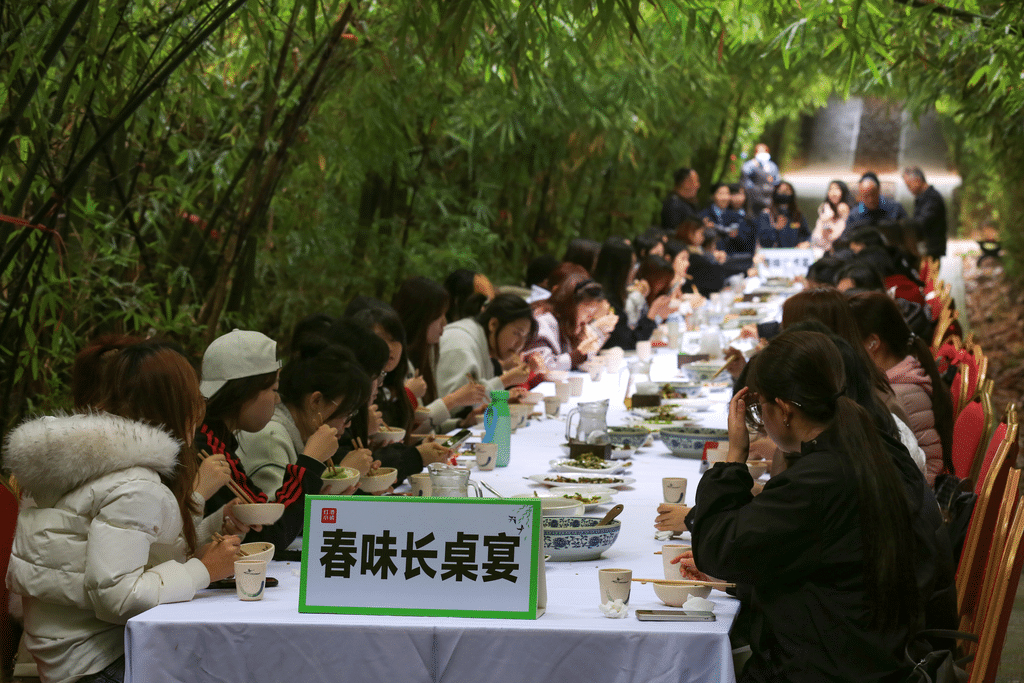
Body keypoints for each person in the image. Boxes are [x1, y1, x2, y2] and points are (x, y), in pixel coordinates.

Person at [690, 330, 928, 681]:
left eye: (761, 409)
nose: (761, 422)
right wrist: (739, 581)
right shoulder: (871, 445)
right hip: (875, 648)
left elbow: (717, 550)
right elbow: (825, 561)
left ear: (785, 409)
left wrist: (735, 456)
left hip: (830, 665)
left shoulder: (820, 479)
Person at [6, 341, 241, 683]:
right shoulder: (134, 484)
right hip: (97, 662)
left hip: (65, 652)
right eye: (194, 400)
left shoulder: (86, 462)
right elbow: (119, 597)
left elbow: (125, 549)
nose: (199, 412)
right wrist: (202, 571)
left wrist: (207, 548)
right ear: (174, 408)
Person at [196, 330, 368, 554]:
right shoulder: (208, 447)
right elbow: (270, 534)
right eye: (273, 389)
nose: (277, 399)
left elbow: (263, 516)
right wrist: (311, 461)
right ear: (243, 392)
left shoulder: (218, 441)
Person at [236, 344, 373, 497]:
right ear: (316, 401)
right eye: (347, 412)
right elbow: (278, 510)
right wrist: (341, 474)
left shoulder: (296, 434)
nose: (348, 423)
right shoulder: (271, 438)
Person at [848, 291, 954, 485]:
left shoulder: (903, 395)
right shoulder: (896, 379)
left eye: (849, 341)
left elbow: (930, 469)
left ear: (873, 343)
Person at [392, 276, 489, 431]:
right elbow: (409, 431)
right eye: (439, 316)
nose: (445, 323)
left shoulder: (427, 355)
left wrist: (462, 424)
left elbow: (429, 429)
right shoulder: (396, 363)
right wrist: (453, 400)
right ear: (420, 317)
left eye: (445, 314)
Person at [437, 293, 535, 397]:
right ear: (493, 324)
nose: (520, 345)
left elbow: (478, 402)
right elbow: (455, 403)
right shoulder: (461, 345)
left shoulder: (481, 343)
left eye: (525, 337)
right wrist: (507, 380)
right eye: (517, 333)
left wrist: (505, 398)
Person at [592, 236, 675, 350]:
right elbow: (629, 343)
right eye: (631, 266)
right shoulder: (605, 301)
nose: (634, 271)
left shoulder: (606, 293)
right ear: (620, 270)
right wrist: (652, 313)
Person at [525, 272, 607, 370]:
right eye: (587, 311)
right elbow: (541, 366)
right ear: (570, 306)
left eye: (593, 313)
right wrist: (578, 355)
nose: (589, 318)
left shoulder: (569, 326)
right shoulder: (544, 322)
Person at [903, 167, 948, 258]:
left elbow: (922, 222)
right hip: (926, 249)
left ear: (918, 180)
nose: (908, 189)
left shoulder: (932, 198)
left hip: (931, 251)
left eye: (908, 185)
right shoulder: (924, 197)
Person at [755, 181, 810, 248]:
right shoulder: (767, 214)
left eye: (787, 191)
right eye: (781, 191)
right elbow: (763, 240)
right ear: (775, 193)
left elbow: (807, 235)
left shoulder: (797, 215)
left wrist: (805, 243)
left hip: (794, 251)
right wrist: (775, 228)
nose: (784, 193)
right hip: (774, 252)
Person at [810, 180, 852, 251]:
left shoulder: (846, 208)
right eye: (831, 189)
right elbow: (815, 237)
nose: (833, 193)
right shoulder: (826, 210)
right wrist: (826, 220)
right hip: (822, 249)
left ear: (843, 191)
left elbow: (839, 237)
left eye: (837, 189)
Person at [740, 143, 780, 214]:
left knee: (766, 215)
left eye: (764, 151)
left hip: (768, 198)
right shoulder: (749, 165)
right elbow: (745, 179)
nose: (762, 154)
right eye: (760, 151)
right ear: (755, 153)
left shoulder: (772, 166)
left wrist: (772, 182)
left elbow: (777, 181)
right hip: (752, 198)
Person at [661, 167, 702, 232]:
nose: (698, 185)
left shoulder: (687, 203)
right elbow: (673, 233)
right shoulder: (674, 205)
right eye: (696, 181)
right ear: (686, 183)